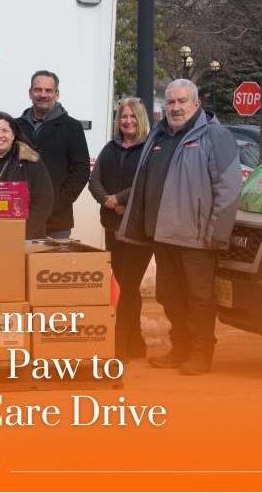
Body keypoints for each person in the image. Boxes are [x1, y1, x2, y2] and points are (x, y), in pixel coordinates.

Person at [119, 79, 241, 376]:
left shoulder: (215, 136)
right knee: (169, 296)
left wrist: (216, 234)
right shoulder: (160, 135)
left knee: (199, 299)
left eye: (182, 101)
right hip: (163, 235)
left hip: (199, 238)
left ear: (196, 104)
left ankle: (201, 354)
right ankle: (181, 349)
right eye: (171, 102)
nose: (175, 107)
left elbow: (229, 189)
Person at [89, 97, 152, 360]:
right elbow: (94, 181)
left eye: (132, 117)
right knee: (126, 285)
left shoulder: (149, 149)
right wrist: (108, 201)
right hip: (113, 227)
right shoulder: (110, 148)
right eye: (123, 117)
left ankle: (120, 345)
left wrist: (121, 199)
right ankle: (136, 342)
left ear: (141, 120)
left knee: (128, 285)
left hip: (138, 230)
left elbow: (146, 181)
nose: (127, 121)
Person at [17, 70, 89, 239]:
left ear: (57, 94)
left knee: (51, 266)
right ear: (30, 93)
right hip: (19, 219)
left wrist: (53, 204)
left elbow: (81, 171)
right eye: (38, 89)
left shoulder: (72, 127)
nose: (43, 95)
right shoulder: (15, 126)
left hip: (57, 221)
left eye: (48, 91)